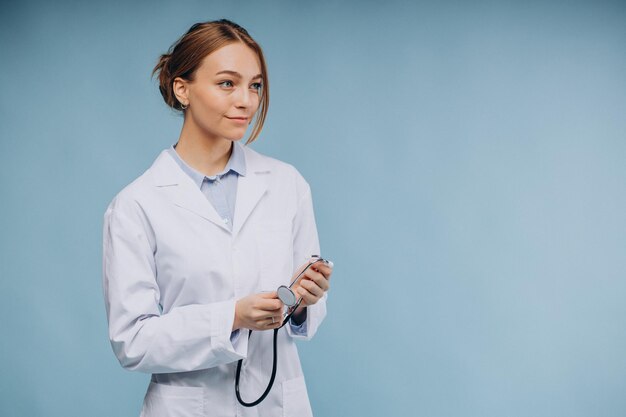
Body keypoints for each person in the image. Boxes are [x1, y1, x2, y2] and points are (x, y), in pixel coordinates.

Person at [102, 19, 332, 417]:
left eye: (255, 85)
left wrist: (300, 302)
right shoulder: (136, 205)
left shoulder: (286, 184)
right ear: (182, 88)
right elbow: (132, 341)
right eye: (227, 83)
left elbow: (304, 309)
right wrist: (231, 316)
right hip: (189, 405)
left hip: (279, 403)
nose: (246, 100)